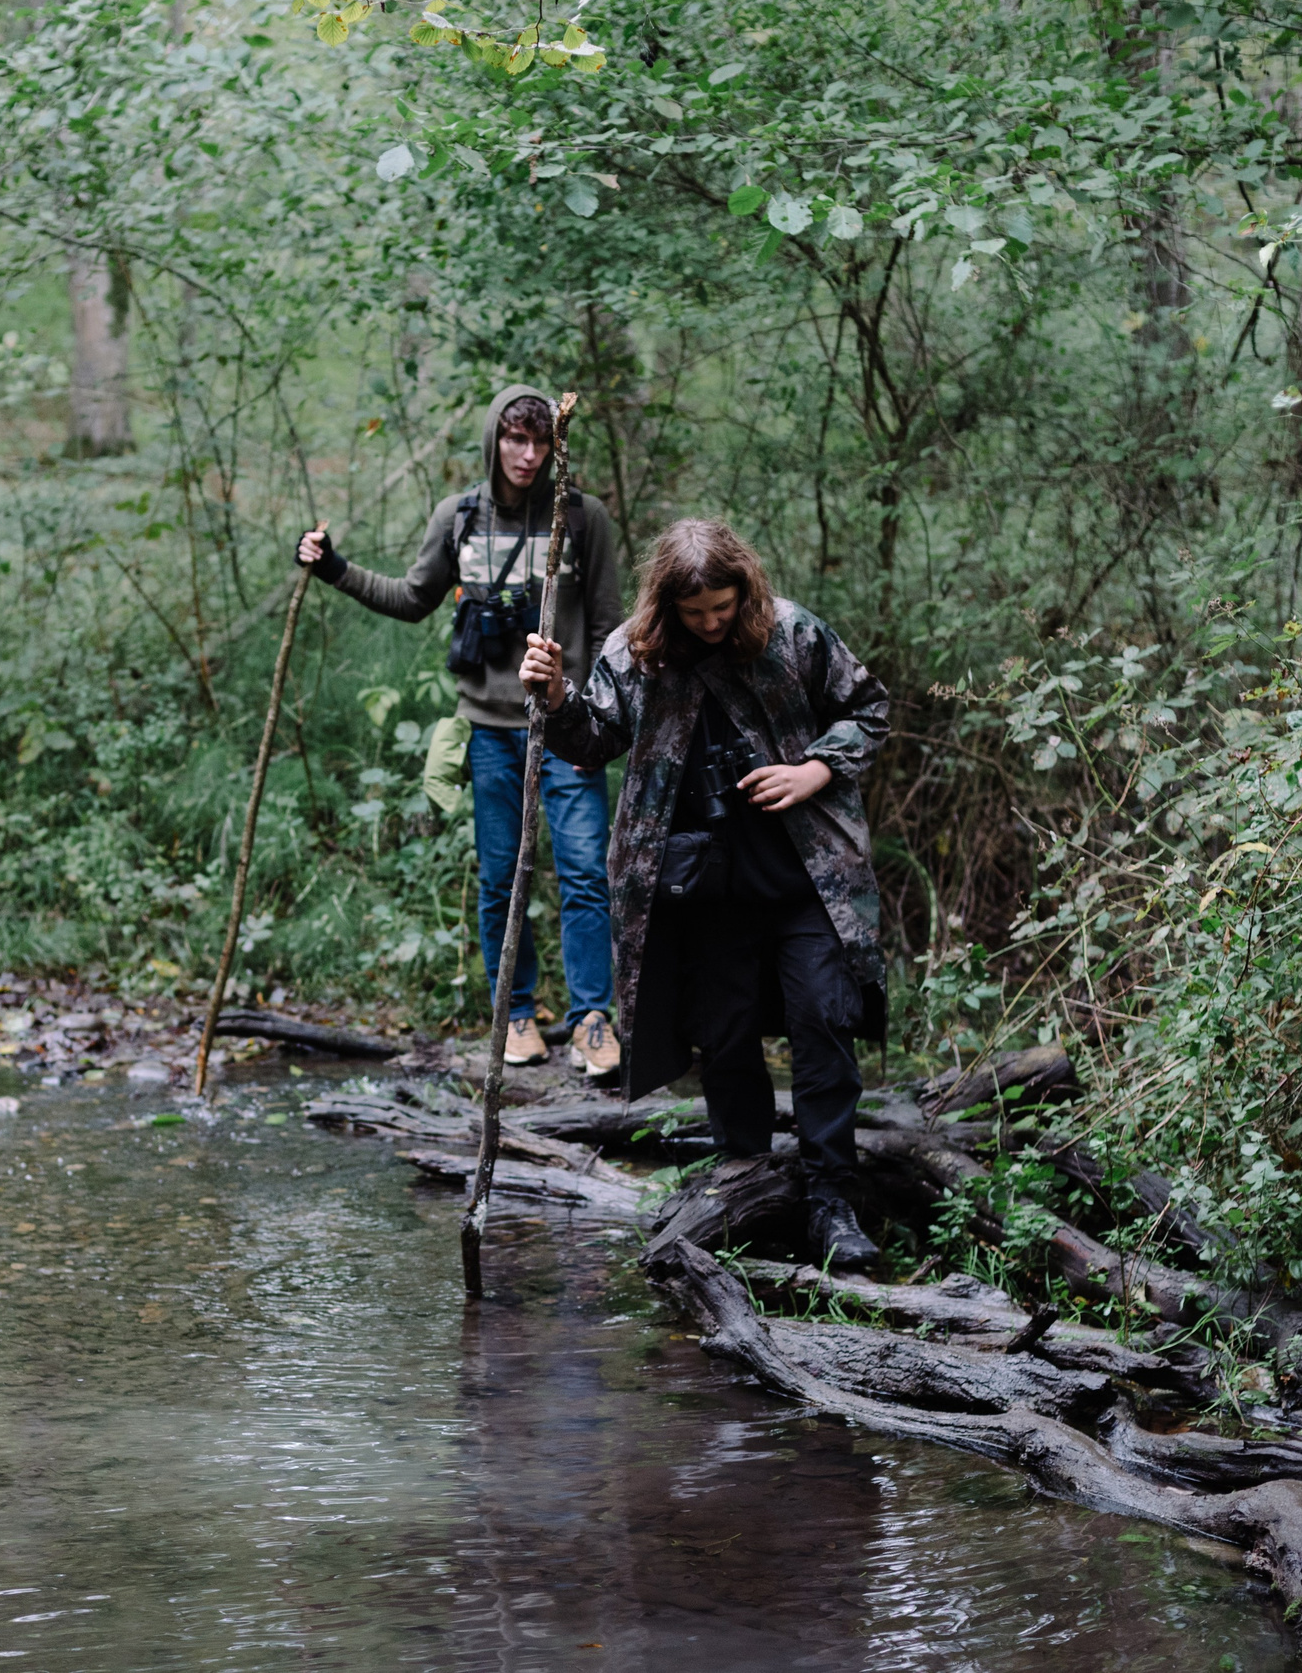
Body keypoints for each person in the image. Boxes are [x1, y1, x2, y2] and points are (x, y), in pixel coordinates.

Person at [520, 518, 890, 1269]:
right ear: (667, 604)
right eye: (696, 614)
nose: (713, 623)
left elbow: (870, 707)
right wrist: (557, 697)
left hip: (806, 877)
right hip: (704, 888)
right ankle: (743, 1181)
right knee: (724, 1040)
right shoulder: (636, 650)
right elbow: (592, 741)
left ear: (743, 588)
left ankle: (832, 1203)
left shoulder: (790, 632)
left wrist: (813, 769)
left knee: (824, 1022)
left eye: (723, 607)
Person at [296, 386, 626, 1078]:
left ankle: (593, 1019)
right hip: (490, 729)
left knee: (585, 872)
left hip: (565, 727)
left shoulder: (583, 517)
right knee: (503, 877)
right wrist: (333, 567)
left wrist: (591, 708)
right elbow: (413, 598)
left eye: (541, 441)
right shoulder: (461, 517)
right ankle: (515, 1014)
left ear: (556, 443)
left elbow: (605, 626)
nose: (529, 454)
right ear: (494, 440)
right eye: (515, 439)